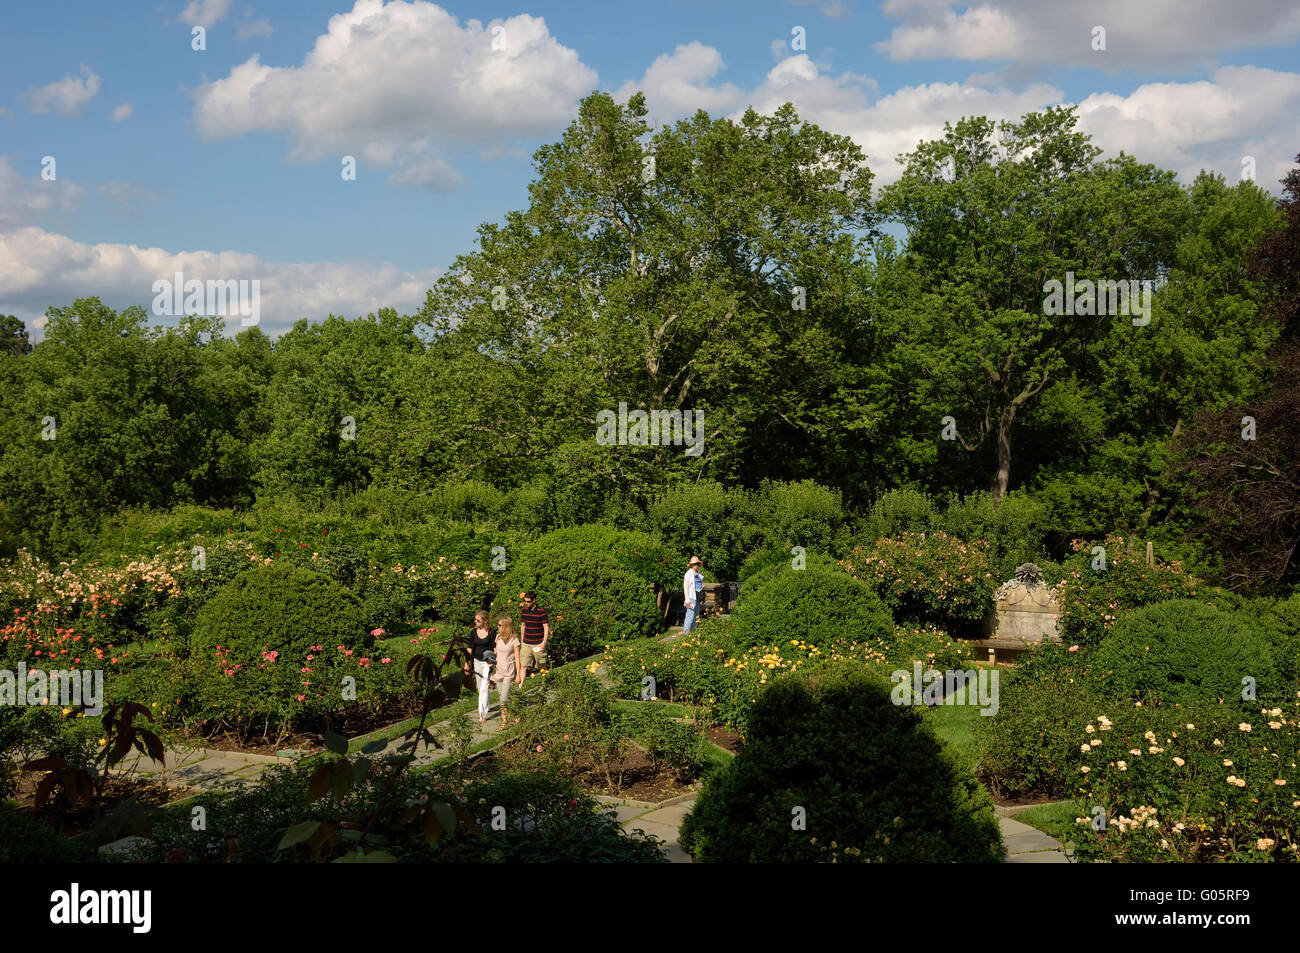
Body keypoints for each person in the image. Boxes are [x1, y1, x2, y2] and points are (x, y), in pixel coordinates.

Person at [465, 610, 497, 723]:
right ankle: (486, 707)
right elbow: (469, 649)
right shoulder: (473, 632)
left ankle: (482, 715)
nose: (475, 622)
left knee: (484, 687)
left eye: (478, 620)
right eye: (475, 620)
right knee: (480, 688)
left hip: (487, 663)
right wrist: (466, 665)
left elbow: (495, 648)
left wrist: (493, 661)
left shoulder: (492, 632)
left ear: (485, 621)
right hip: (476, 662)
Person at [492, 616, 523, 728]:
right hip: (499, 671)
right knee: (504, 697)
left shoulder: (514, 640)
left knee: (503, 698)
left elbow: (517, 658)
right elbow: (496, 652)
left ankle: (504, 722)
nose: (497, 627)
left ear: (506, 627)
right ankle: (516, 715)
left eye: (499, 625)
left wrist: (518, 675)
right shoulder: (498, 638)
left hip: (509, 673)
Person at [518, 591, 550, 676]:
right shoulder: (524, 611)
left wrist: (543, 643)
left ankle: (544, 683)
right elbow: (523, 626)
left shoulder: (541, 611)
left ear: (534, 600)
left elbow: (546, 627)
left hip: (538, 644)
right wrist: (522, 641)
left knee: (542, 665)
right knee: (523, 666)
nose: (526, 603)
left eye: (528, 601)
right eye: (525, 601)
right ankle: (520, 688)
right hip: (526, 644)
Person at [682, 556, 704, 633]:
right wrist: (687, 599)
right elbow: (686, 587)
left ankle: (692, 633)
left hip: (698, 597)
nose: (696, 565)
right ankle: (685, 634)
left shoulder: (699, 573)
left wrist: (702, 597)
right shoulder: (688, 574)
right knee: (690, 617)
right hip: (691, 598)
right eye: (694, 564)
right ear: (691, 565)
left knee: (696, 616)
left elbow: (700, 585)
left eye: (697, 563)